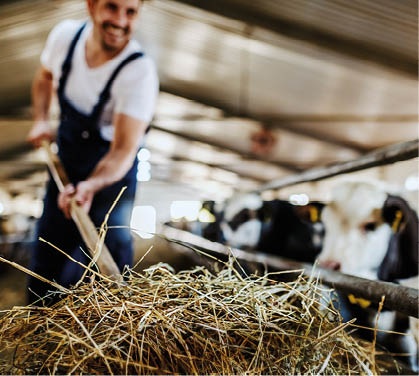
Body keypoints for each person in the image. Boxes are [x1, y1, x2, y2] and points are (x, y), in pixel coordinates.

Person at [26, 0, 159, 305]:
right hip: (66, 162)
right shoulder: (64, 38)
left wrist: (91, 184)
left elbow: (124, 150)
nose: (120, 21)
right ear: (91, 6)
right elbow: (44, 77)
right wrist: (41, 120)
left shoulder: (138, 70)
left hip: (113, 173)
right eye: (111, 7)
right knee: (48, 249)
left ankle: (109, 338)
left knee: (107, 251)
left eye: (131, 12)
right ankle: (39, 331)